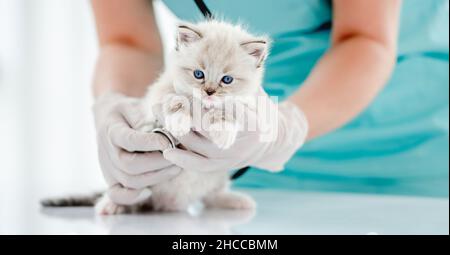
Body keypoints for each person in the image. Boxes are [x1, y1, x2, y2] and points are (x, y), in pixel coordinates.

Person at [91, 0, 449, 204]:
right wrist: (118, 109)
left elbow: (365, 38)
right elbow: (127, 42)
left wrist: (282, 128)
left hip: (410, 161)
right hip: (248, 165)